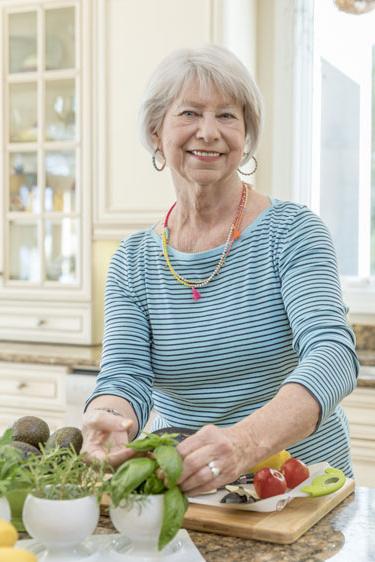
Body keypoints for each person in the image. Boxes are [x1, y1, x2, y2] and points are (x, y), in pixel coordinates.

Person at [82, 45, 359, 496]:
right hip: (193, 490)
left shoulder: (293, 232)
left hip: (301, 490)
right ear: (156, 131)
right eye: (189, 113)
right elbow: (124, 375)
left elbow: (332, 354)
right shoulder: (132, 259)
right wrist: (110, 420)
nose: (208, 132)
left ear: (246, 135)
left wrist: (244, 442)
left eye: (228, 116)